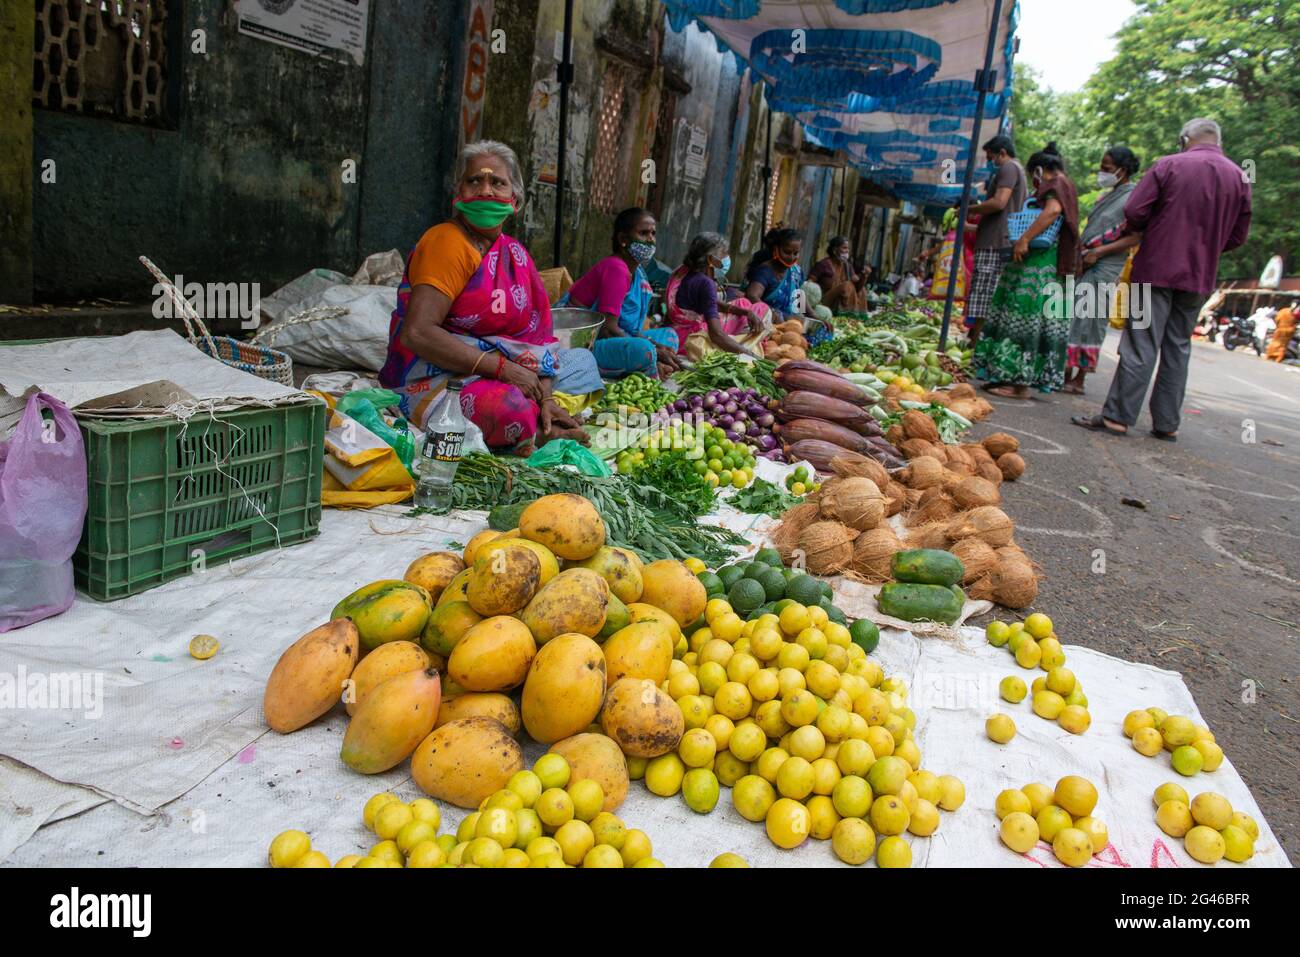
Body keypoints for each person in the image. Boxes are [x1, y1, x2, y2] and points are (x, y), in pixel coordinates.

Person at [379, 140, 599, 453]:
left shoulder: (515, 254)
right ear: (459, 193)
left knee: (583, 361)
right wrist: (503, 369)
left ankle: (546, 415)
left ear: (515, 198)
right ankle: (538, 430)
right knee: (510, 409)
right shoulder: (447, 242)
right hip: (438, 374)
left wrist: (546, 397)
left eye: (497, 182)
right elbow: (417, 333)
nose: (485, 189)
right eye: (474, 181)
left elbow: (537, 341)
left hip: (511, 368)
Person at [1073, 118, 1252, 439]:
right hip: (1200, 273)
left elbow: (1136, 211)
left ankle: (1118, 417)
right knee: (1178, 347)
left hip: (1154, 267)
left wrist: (1163, 228)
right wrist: (1206, 246)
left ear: (1185, 139)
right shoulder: (1239, 176)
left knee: (1141, 342)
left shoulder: (1169, 165)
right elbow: (1238, 236)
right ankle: (1166, 424)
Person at [972, 142, 1081, 398]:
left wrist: (1024, 238)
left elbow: (1052, 211)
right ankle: (1007, 375)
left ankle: (1018, 383)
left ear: (1040, 170)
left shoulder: (1057, 185)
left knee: (1025, 317)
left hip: (1043, 263)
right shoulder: (1064, 185)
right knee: (1025, 316)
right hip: (1047, 262)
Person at [560, 207, 682, 379]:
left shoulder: (638, 274)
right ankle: (647, 367)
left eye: (653, 233)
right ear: (623, 239)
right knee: (645, 350)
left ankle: (647, 364)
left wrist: (658, 347)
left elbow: (631, 330)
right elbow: (608, 330)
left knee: (669, 336)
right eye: (643, 233)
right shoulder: (616, 268)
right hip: (581, 344)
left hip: (613, 338)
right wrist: (654, 351)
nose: (650, 240)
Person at [1063, 147, 1143, 394]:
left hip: (1106, 265)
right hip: (1087, 260)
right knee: (1073, 314)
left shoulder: (1133, 198)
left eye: (1107, 168)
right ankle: (1065, 371)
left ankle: (1080, 378)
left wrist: (1100, 252)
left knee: (1093, 319)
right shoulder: (1109, 196)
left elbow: (1134, 237)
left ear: (1123, 170)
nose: (1102, 172)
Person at [962, 134, 1027, 345]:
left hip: (995, 245)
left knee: (984, 297)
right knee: (987, 296)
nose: (991, 163)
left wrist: (968, 208)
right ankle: (978, 342)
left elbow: (999, 203)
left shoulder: (1008, 168)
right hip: (997, 240)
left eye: (991, 158)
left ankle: (978, 345)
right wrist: (970, 226)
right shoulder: (1018, 171)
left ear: (1002, 153)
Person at [666, 232, 772, 360]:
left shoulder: (681, 271)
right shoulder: (706, 283)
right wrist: (751, 357)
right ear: (711, 259)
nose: (727, 258)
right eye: (724, 254)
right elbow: (716, 334)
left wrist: (747, 313)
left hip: (674, 332)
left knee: (744, 304)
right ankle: (742, 346)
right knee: (762, 309)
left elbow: (711, 303)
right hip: (692, 339)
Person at [744, 227, 810, 321]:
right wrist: (773, 313)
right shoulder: (765, 272)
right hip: (766, 324)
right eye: (787, 252)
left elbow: (799, 296)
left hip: (790, 325)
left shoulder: (796, 271)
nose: (791, 257)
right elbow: (752, 295)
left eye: (795, 253)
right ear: (776, 249)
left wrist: (813, 317)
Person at [809, 236, 871, 312]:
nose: (847, 251)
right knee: (846, 286)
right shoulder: (823, 265)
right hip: (824, 302)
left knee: (862, 290)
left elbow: (858, 288)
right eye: (844, 248)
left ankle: (855, 317)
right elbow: (809, 283)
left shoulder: (847, 266)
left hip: (838, 303)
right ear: (835, 250)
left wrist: (864, 276)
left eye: (848, 248)